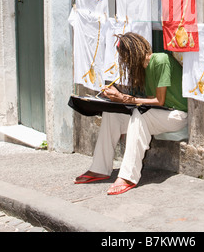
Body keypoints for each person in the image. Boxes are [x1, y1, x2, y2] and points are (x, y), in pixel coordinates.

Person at [75, 32, 188, 195]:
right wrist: (117, 99)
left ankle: (128, 176)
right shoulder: (143, 70)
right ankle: (99, 168)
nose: (125, 62)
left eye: (125, 58)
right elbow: (146, 100)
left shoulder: (160, 60)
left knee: (140, 115)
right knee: (111, 114)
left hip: (177, 115)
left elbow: (159, 100)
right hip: (159, 115)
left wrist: (125, 98)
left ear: (134, 53)